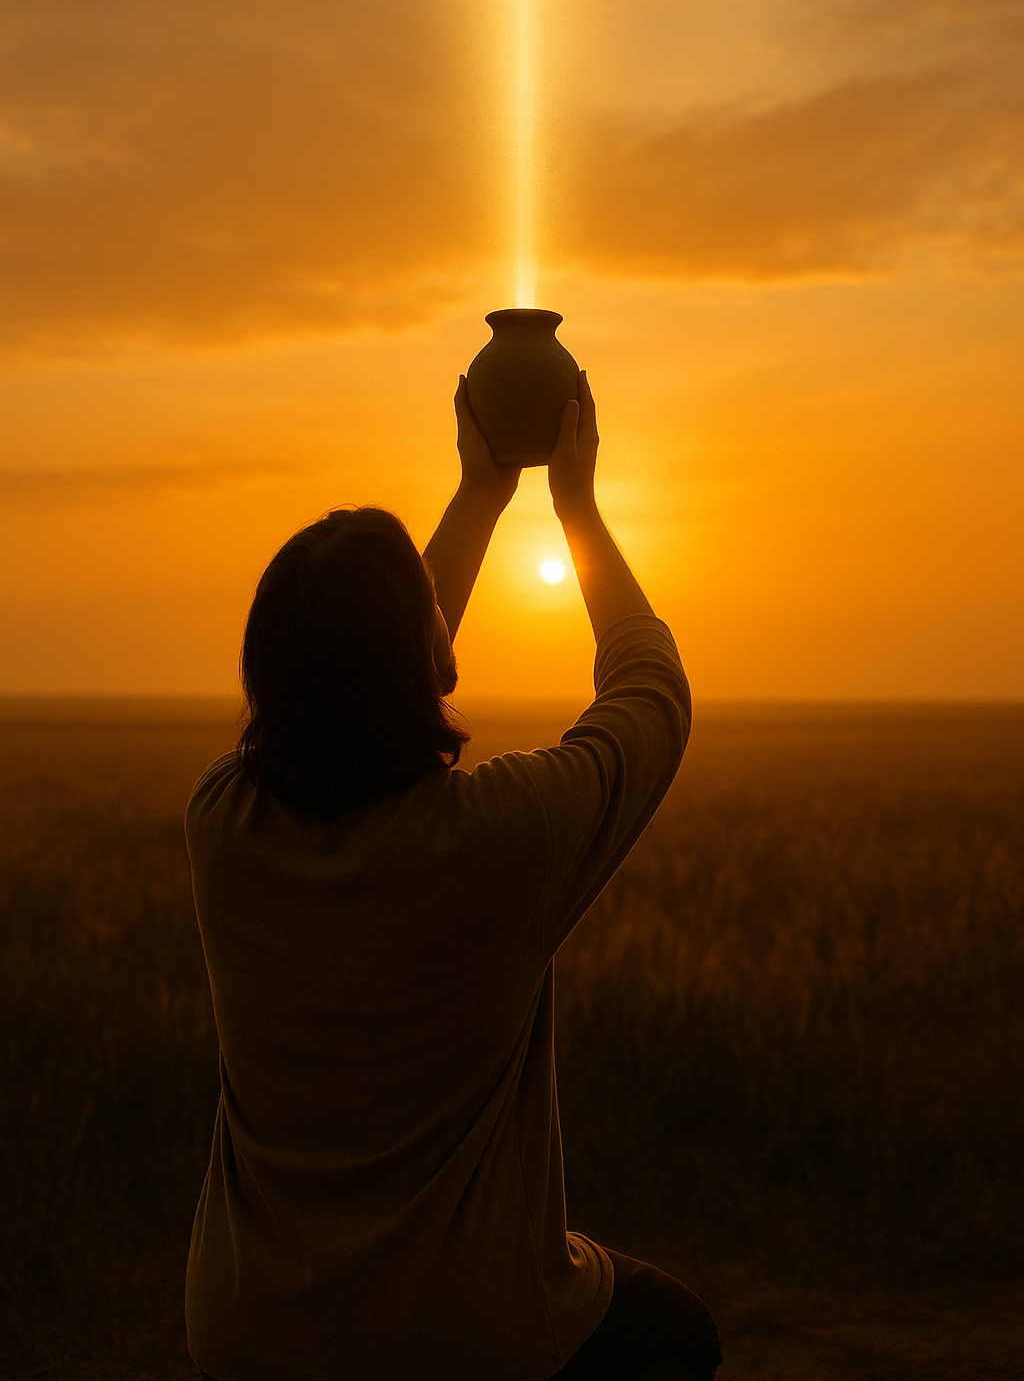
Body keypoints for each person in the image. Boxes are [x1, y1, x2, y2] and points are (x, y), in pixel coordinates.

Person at [185, 372, 722, 1381]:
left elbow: (353, 677)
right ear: (424, 653)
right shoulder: (502, 836)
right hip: (460, 1335)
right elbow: (652, 688)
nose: (442, 608)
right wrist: (575, 509)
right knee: (680, 1335)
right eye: (429, 606)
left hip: (248, 1332)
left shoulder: (220, 822)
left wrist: (479, 495)